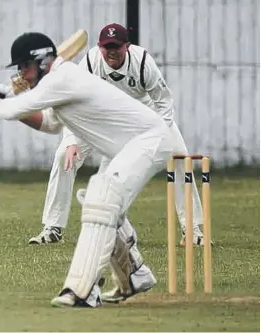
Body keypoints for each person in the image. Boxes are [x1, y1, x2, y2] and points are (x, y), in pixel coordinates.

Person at [0, 32, 174, 307]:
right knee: (98, 203)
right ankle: (135, 274)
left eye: (24, 66)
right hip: (132, 146)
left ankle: (83, 290)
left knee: (102, 199)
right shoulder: (57, 83)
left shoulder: (61, 78)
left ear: (42, 61)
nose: (22, 73)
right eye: (18, 68)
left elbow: (11, 109)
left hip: (150, 140)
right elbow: (50, 123)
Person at [28, 24, 206, 248]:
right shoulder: (91, 63)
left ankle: (192, 229)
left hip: (144, 115)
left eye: (116, 47)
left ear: (127, 46)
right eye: (106, 47)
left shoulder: (142, 62)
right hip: (100, 116)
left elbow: (164, 103)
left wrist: (158, 135)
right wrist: (72, 140)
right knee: (64, 155)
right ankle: (53, 228)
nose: (111, 51)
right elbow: (70, 102)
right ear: (99, 47)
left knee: (180, 157)